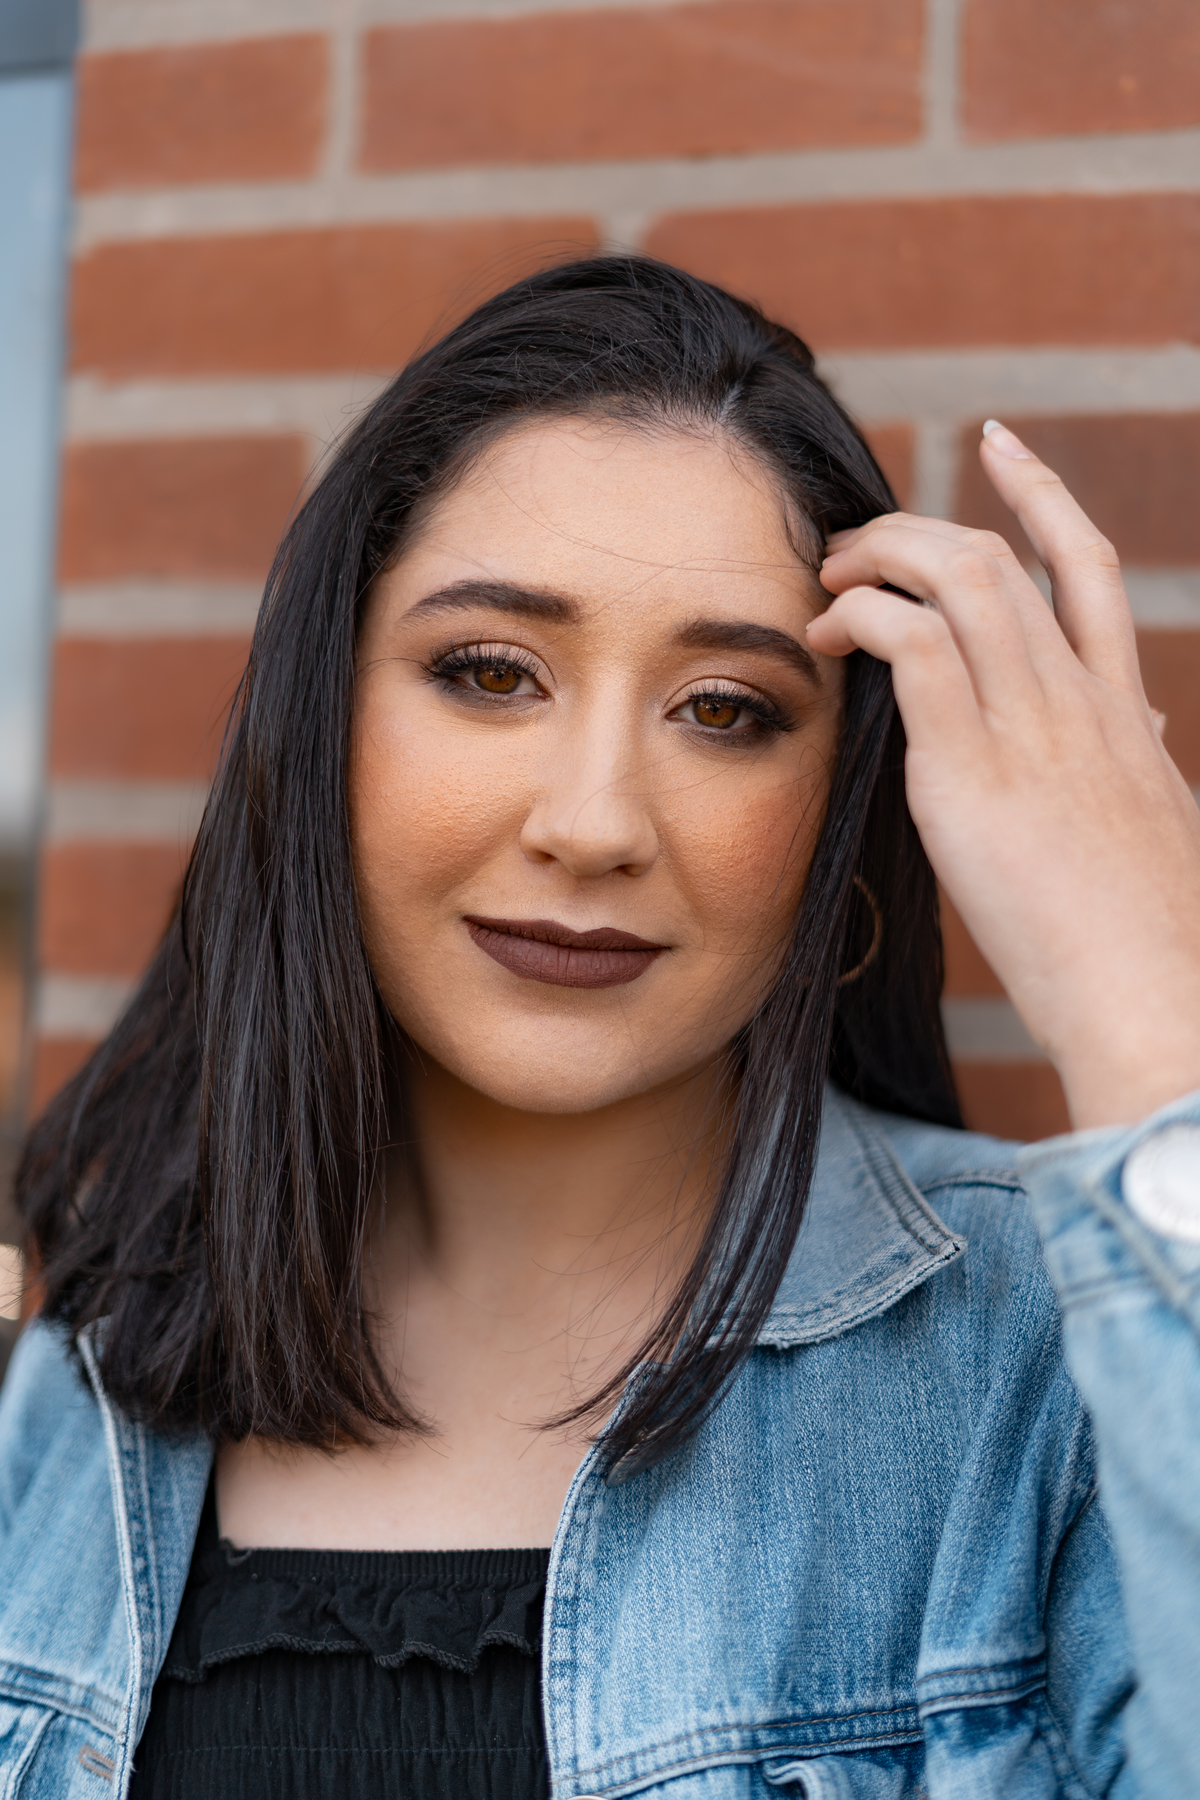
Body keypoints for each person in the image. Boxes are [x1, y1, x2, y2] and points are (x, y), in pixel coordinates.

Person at [1, 256, 1198, 1799]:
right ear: (325, 726)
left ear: (840, 809)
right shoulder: (69, 1387)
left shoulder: (1058, 1370)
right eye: (489, 673)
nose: (594, 824)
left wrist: (1150, 1012)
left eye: (727, 709)